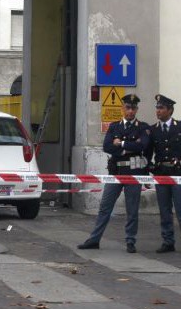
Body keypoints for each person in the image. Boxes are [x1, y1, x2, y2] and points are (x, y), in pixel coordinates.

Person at [77, 94, 150, 253]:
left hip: (133, 172)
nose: (130, 111)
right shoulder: (114, 126)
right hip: (116, 172)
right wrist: (129, 147)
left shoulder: (142, 127)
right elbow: (107, 147)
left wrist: (121, 144)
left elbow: (142, 146)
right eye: (127, 108)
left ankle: (130, 241)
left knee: (132, 209)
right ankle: (94, 239)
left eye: (133, 108)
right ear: (122, 109)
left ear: (137, 109)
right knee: (105, 206)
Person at [147, 94, 181, 253]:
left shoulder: (179, 127)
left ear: (170, 110)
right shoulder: (153, 130)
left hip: (178, 173)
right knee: (164, 210)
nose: (158, 111)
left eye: (161, 108)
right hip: (161, 173)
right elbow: (148, 153)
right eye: (157, 108)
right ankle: (168, 241)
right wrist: (148, 170)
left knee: (180, 208)